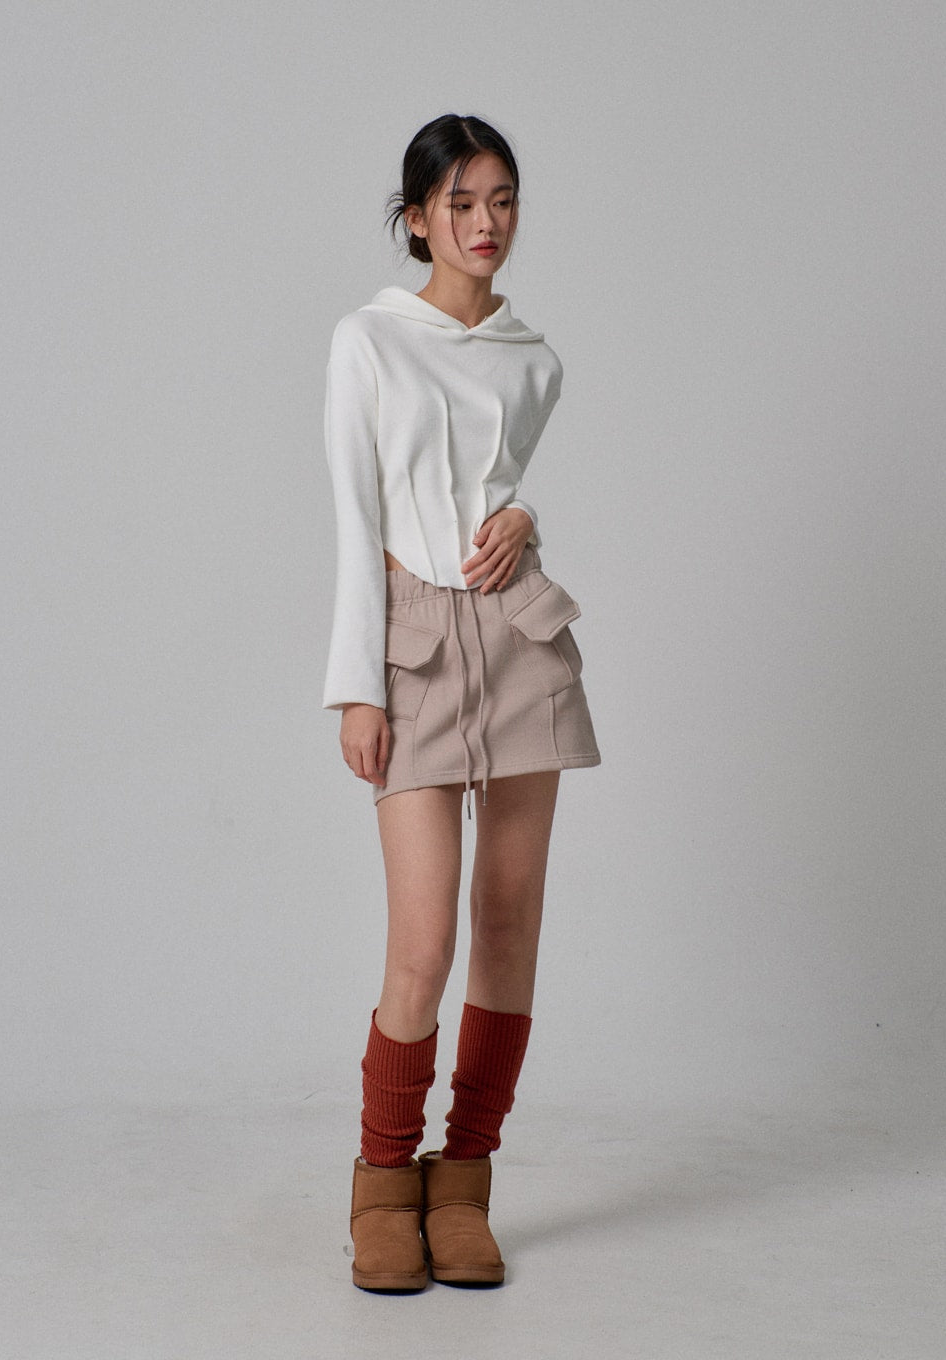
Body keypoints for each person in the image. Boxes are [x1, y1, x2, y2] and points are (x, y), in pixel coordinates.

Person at [322, 113, 600, 1292]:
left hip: (519, 635)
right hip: (414, 641)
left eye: (504, 199)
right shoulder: (367, 341)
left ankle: (466, 1179)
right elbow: (358, 517)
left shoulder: (535, 358)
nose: (487, 223)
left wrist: (527, 515)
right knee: (424, 941)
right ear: (416, 218)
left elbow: (497, 488)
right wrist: (356, 686)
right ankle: (385, 1183)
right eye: (461, 202)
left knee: (511, 920)